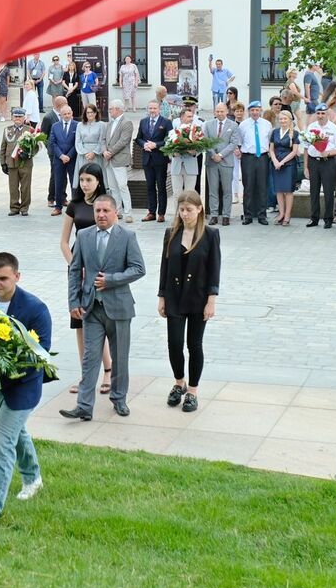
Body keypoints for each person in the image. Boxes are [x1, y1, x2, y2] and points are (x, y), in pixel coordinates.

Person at [0, 252, 52, 532]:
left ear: (17, 276)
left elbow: (40, 357)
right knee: (17, 435)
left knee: (2, 444)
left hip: (23, 389)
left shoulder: (35, 309)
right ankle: (33, 478)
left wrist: (6, 361)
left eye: (3, 278)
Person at [60, 195, 146, 420]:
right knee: (90, 357)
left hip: (118, 307)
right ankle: (84, 406)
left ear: (115, 212)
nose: (101, 215)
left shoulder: (127, 236)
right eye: (97, 211)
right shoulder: (84, 235)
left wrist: (111, 279)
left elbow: (138, 269)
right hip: (91, 307)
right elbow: (75, 270)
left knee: (119, 357)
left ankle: (119, 399)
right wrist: (73, 301)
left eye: (105, 211)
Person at [158, 191, 220, 413]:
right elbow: (164, 267)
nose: (185, 214)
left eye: (189, 210)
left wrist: (211, 300)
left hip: (198, 296)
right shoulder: (171, 233)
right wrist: (162, 296)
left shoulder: (210, 235)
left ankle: (193, 390)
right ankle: (179, 382)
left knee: (194, 344)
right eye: (182, 210)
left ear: (199, 209)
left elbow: (214, 269)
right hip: (174, 296)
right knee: (174, 343)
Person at [60, 163, 114, 394]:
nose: (84, 184)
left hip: (99, 269)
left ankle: (109, 371)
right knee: (80, 321)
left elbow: (114, 237)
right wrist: (75, 265)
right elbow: (63, 241)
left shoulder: (105, 205)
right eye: (81, 180)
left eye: (89, 180)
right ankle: (85, 375)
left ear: (98, 181)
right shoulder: (74, 205)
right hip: (77, 269)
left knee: (99, 320)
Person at [303, 103, 336, 229]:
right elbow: (306, 148)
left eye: (323, 113)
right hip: (313, 161)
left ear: (327, 114)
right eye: (318, 113)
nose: (320, 116)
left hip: (327, 162)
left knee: (328, 191)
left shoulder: (333, 128)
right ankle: (314, 218)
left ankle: (328, 219)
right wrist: (306, 167)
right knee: (313, 191)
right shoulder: (311, 127)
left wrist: (328, 152)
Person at [236, 100, 273, 225]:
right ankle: (248, 215)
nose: (255, 112)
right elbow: (239, 141)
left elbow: (269, 141)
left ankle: (262, 215)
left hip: (262, 157)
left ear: (261, 111)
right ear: (249, 111)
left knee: (263, 186)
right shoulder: (243, 125)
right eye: (252, 110)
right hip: (248, 158)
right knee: (248, 186)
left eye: (257, 110)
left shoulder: (267, 124)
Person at [135, 100, 173, 222]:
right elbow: (138, 138)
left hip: (160, 159)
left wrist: (156, 145)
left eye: (154, 108)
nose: (152, 111)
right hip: (147, 159)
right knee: (150, 186)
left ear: (159, 109)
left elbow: (170, 140)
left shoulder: (166, 122)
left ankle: (161, 213)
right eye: (150, 108)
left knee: (161, 187)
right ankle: (151, 212)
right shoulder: (143, 121)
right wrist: (144, 144)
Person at [205, 102, 239, 226]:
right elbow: (206, 141)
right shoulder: (208, 125)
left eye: (222, 111)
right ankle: (214, 215)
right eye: (217, 111)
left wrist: (220, 155)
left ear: (226, 111)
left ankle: (226, 215)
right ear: (215, 112)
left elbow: (233, 143)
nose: (219, 113)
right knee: (213, 190)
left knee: (227, 190)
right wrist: (213, 154)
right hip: (211, 161)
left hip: (226, 161)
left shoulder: (233, 125)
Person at [102, 99, 135, 222]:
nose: (109, 111)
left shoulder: (127, 123)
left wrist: (110, 152)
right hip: (108, 159)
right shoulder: (109, 124)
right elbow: (103, 140)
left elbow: (124, 141)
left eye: (111, 108)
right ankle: (118, 211)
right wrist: (104, 151)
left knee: (122, 185)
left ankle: (128, 213)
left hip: (119, 159)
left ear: (117, 109)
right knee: (112, 187)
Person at [1, 108, 36, 216]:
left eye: (20, 116)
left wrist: (29, 154)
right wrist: (3, 162)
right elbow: (3, 147)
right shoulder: (7, 130)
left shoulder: (29, 130)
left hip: (25, 163)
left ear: (24, 117)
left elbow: (37, 146)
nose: (17, 119)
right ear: (12, 117)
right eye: (15, 116)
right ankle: (14, 207)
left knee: (25, 187)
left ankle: (24, 208)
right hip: (11, 163)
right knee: (13, 187)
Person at [269, 109, 299, 226]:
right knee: (279, 190)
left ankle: (287, 215)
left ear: (289, 120)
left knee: (288, 190)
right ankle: (281, 214)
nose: (282, 121)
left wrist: (282, 162)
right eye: (281, 119)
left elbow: (294, 151)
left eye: (285, 118)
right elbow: (271, 149)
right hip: (276, 164)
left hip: (289, 165)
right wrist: (275, 161)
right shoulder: (275, 132)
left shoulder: (294, 133)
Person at [49, 103, 78, 215]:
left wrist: (69, 156)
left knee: (73, 183)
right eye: (64, 114)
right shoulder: (55, 126)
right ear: (60, 115)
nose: (67, 115)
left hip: (72, 158)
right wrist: (61, 155)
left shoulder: (77, 125)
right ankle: (58, 207)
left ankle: (75, 207)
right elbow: (52, 143)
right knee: (58, 182)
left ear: (72, 114)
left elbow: (77, 143)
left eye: (68, 113)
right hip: (59, 159)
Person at [41, 96, 68, 207]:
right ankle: (51, 197)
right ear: (59, 105)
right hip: (54, 152)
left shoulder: (66, 116)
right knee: (55, 174)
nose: (67, 105)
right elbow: (43, 135)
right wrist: (50, 148)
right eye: (65, 103)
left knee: (64, 174)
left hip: (65, 151)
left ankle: (62, 197)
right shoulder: (48, 117)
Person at [169, 107, 202, 196]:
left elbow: (201, 148)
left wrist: (194, 152)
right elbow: (167, 149)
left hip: (191, 167)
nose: (191, 119)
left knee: (189, 195)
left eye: (192, 117)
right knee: (177, 194)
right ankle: (177, 210)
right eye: (188, 117)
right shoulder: (173, 132)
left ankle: (189, 210)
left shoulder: (197, 132)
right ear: (181, 118)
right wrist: (173, 153)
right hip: (177, 167)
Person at [74, 102, 106, 180]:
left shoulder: (101, 125)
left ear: (95, 113)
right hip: (83, 154)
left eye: (92, 112)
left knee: (95, 176)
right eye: (88, 112)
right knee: (84, 175)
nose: (90, 114)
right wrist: (85, 153)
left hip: (96, 154)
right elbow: (78, 141)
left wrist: (94, 153)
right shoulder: (80, 125)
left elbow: (102, 140)